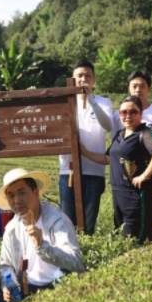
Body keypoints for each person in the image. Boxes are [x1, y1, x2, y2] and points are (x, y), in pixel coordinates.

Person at [0, 168, 84, 302]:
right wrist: (9, 284)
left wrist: (42, 245)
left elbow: (76, 262)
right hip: (26, 287)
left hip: (57, 285)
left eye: (21, 192)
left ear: (35, 192)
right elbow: (5, 265)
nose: (17, 200)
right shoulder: (12, 228)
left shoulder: (57, 220)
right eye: (11, 195)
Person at [82, 96, 152, 242]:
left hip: (136, 195)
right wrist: (84, 152)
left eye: (133, 112)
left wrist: (145, 175)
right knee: (121, 236)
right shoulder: (119, 135)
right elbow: (108, 159)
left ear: (141, 114)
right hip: (118, 194)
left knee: (136, 239)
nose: (128, 116)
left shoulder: (145, 132)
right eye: (124, 112)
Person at [59, 60, 112, 235]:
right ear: (73, 79)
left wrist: (91, 100)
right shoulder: (63, 103)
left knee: (89, 224)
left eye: (87, 76)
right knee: (68, 222)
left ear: (94, 80)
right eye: (79, 76)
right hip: (68, 171)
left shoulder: (103, 102)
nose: (83, 79)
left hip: (94, 172)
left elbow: (108, 125)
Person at [112, 71, 152, 140]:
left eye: (142, 86)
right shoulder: (118, 115)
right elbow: (114, 141)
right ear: (128, 88)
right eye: (134, 86)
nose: (138, 90)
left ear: (149, 89)